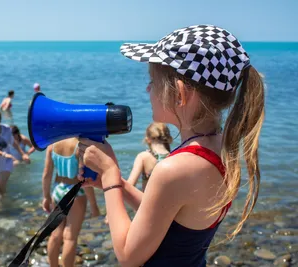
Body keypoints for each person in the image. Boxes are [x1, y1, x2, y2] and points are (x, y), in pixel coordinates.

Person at [78, 24, 265, 266]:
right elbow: (169, 213)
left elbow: (127, 256)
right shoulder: (219, 148)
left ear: (179, 94)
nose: (148, 89)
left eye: (153, 82)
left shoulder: (175, 169)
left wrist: (110, 174)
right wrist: (121, 186)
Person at [41, 138, 89, 267]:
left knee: (56, 234)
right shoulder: (80, 145)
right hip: (75, 192)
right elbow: (84, 178)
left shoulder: (52, 144)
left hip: (58, 190)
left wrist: (46, 197)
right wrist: (94, 205)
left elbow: (47, 174)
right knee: (70, 237)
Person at [0, 109, 29, 199]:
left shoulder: (6, 129)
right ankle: (4, 200)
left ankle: (1, 203)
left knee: (1, 185)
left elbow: (13, 143)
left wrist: (23, 154)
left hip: (7, 161)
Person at [127, 122, 173, 192]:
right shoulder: (175, 157)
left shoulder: (143, 156)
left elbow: (130, 186)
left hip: (149, 202)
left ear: (147, 139)